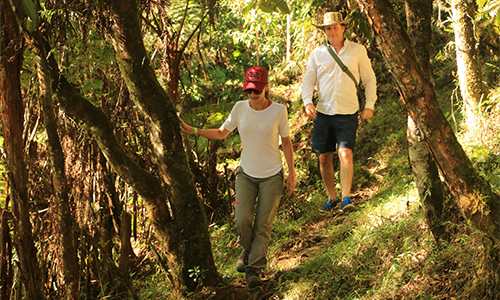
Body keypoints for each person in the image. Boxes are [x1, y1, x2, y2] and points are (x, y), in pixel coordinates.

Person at [180, 66, 296, 288]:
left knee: (263, 224)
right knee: (241, 219)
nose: (253, 94)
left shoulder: (279, 110)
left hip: (272, 175)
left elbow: (287, 142)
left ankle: (253, 269)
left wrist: (291, 173)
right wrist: (194, 131)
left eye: (257, 90)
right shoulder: (240, 108)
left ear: (266, 87)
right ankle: (248, 248)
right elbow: (222, 132)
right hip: (246, 174)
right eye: (249, 90)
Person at [301, 12, 377, 213]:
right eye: (328, 28)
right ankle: (332, 198)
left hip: (348, 110)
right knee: (324, 157)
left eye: (335, 27)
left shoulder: (358, 51)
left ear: (344, 28)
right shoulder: (317, 53)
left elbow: (369, 79)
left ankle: (346, 198)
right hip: (323, 112)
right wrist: (307, 102)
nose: (332, 31)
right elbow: (308, 80)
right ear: (324, 31)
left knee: (345, 152)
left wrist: (369, 105)